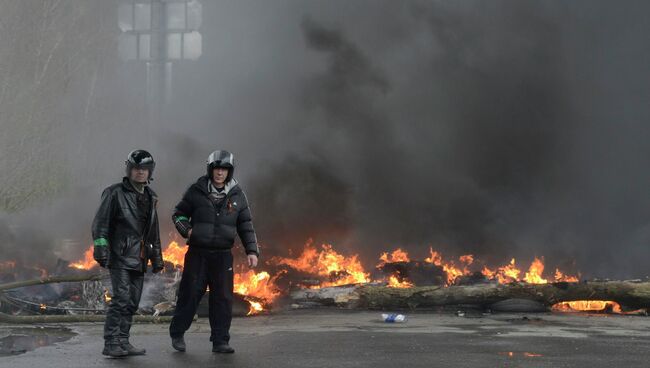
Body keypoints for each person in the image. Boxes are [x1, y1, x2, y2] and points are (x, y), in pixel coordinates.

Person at [169, 150, 259, 354]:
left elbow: (246, 224)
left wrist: (251, 250)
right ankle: (177, 334)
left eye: (224, 169)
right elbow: (178, 214)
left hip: (222, 255)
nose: (220, 173)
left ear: (229, 171)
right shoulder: (196, 190)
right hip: (198, 253)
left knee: (223, 298)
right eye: (217, 168)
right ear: (210, 169)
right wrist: (187, 230)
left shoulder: (237, 194)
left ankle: (220, 341)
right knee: (190, 294)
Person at [91, 150, 164, 357]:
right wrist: (101, 249)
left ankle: (123, 341)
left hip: (140, 258)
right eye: (136, 168)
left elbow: (153, 232)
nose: (140, 173)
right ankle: (111, 342)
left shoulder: (151, 197)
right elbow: (100, 224)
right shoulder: (114, 193)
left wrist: (157, 258)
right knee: (121, 298)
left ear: (150, 172)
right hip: (120, 255)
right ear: (129, 169)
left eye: (144, 169)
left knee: (132, 301)